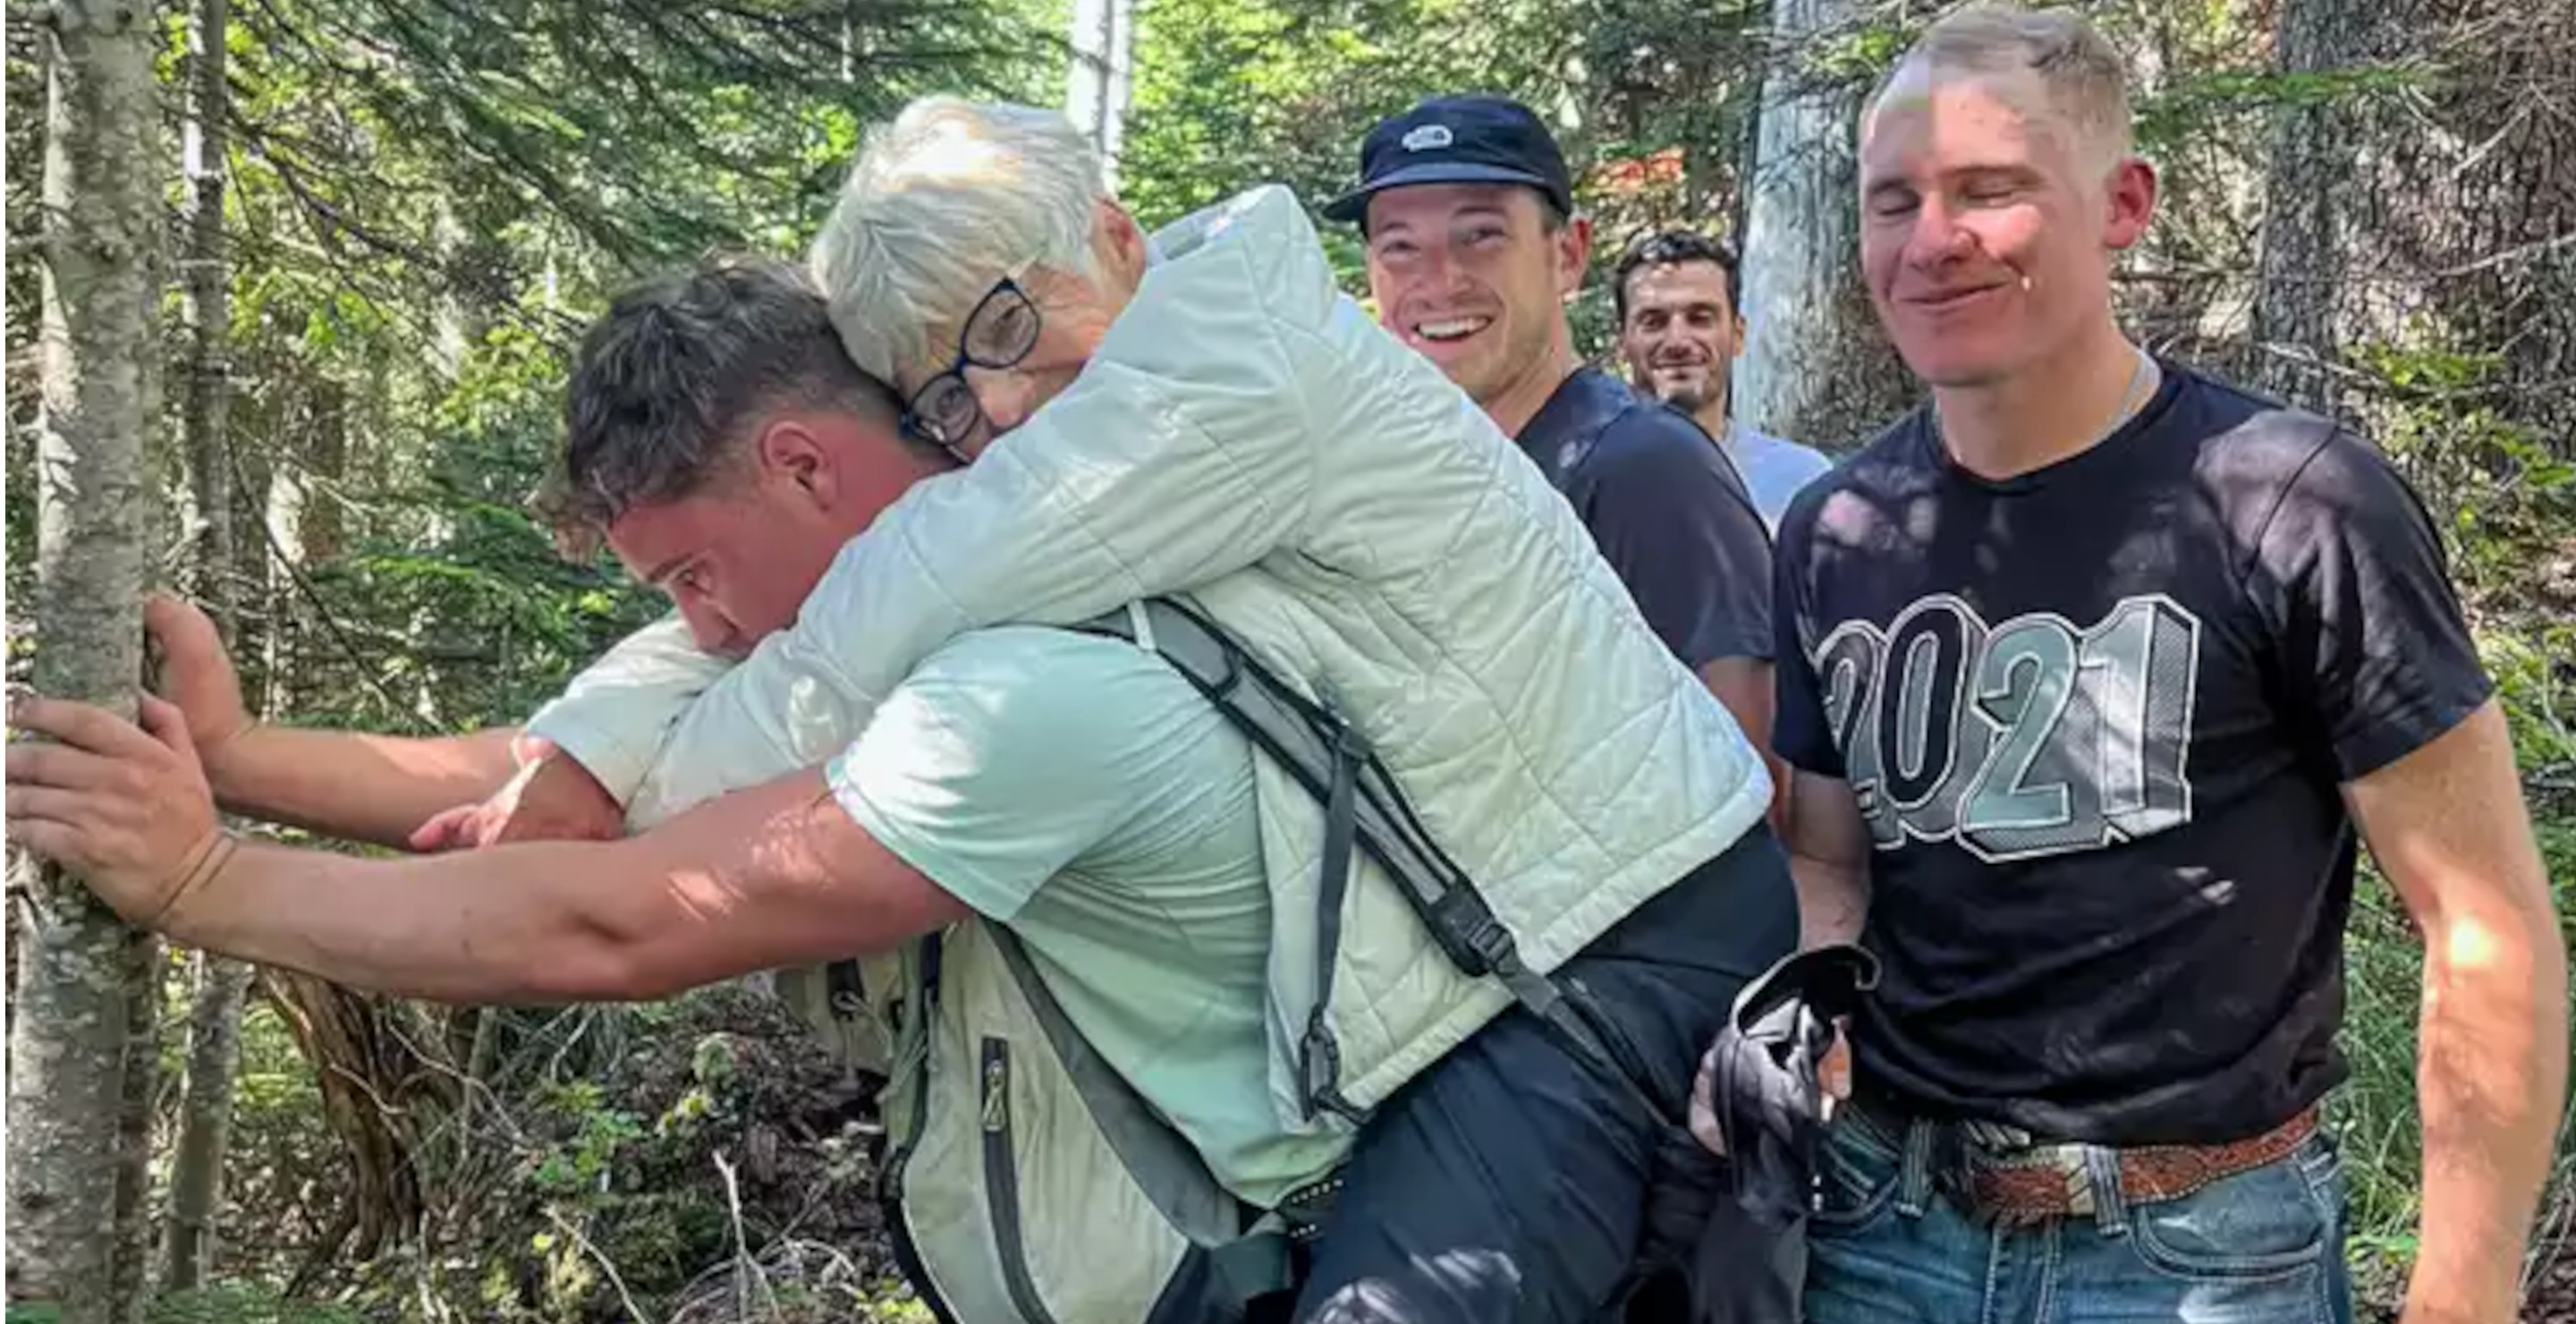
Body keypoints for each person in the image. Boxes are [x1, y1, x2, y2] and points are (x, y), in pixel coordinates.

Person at [19, 97, 1802, 1323]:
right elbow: (742, 643)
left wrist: (207, 881)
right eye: (952, 387)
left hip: (1616, 936)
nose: (1005, 406)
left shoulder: (1201, 407)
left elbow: (822, 666)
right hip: (1507, 961)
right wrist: (280, 765)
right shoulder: (1038, 458)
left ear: (1117, 231)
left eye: (1013, 328)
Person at [1733, 8, 2569, 1322]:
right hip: (1879, 1229)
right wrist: (1800, 1013)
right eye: (1892, 201)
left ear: (2123, 203)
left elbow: (2483, 924)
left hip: (2202, 1250)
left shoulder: (2294, 504)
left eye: (1989, 190)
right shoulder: (1835, 529)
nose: (1929, 240)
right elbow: (1829, 856)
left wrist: (2460, 1294)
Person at [1324, 96, 1782, 772]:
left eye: (1479, 235)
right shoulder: (1418, 476)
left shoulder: (1643, 467)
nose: (1439, 281)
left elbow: (1751, 781)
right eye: (1399, 247)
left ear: (1567, 254)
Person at [1611, 230, 1832, 529]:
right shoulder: (1589, 482)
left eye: (1700, 318)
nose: (1678, 340)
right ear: (1623, 342)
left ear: (1737, 335)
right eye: (1654, 322)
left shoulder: (1802, 480)